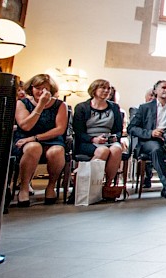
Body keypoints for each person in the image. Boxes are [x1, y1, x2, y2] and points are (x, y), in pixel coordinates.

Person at [11, 73, 68, 207]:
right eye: (38, 87)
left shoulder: (60, 105)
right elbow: (26, 126)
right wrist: (40, 105)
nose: (41, 91)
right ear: (31, 88)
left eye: (45, 88)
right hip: (25, 140)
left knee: (57, 151)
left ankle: (51, 186)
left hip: (51, 139)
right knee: (34, 147)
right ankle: (24, 187)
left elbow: (60, 129)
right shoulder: (22, 103)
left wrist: (35, 138)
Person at [72, 79, 124, 196]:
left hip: (108, 139)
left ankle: (107, 186)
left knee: (117, 149)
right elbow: (78, 132)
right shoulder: (82, 107)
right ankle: (83, 182)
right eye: (103, 88)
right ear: (94, 90)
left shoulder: (114, 107)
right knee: (103, 150)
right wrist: (93, 139)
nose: (106, 91)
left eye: (108, 88)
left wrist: (115, 137)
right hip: (88, 140)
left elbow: (118, 130)